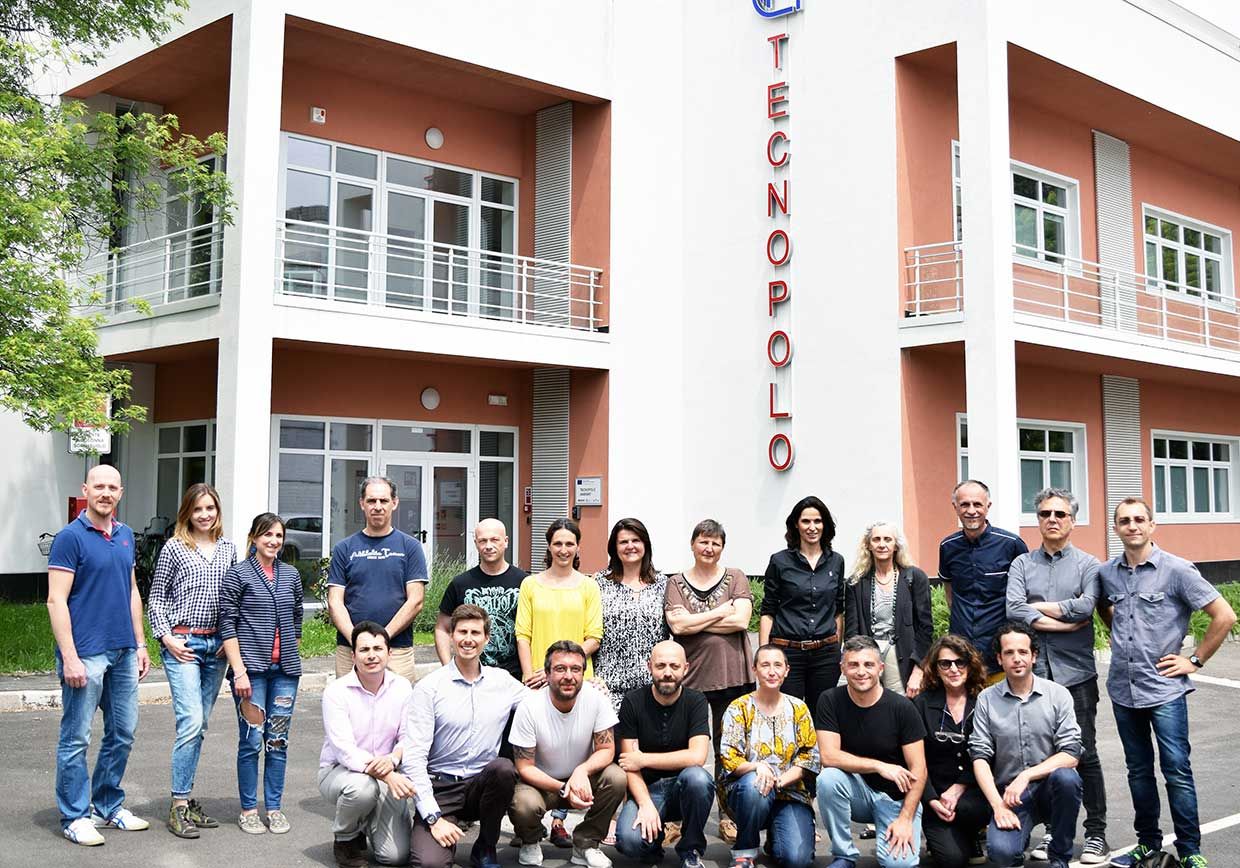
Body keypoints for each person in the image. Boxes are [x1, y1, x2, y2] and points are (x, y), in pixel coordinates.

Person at [1098, 497, 1236, 868]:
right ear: (1116, 528)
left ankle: (1191, 851)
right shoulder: (1107, 573)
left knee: (1176, 770)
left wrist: (1194, 660)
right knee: (1138, 771)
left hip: (1164, 690)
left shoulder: (1178, 570)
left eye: (1139, 519)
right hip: (1124, 689)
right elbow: (1103, 607)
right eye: (1124, 521)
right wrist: (1120, 633)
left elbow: (1224, 615)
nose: (1132, 526)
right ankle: (1147, 843)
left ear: (1152, 525)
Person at [48, 464, 152, 846]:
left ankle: (106, 805)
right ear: (85, 490)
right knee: (76, 737)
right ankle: (74, 816)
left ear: (120, 493)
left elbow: (131, 590)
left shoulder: (125, 536)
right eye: (99, 486)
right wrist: (70, 657)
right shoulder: (69, 538)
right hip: (85, 654)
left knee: (122, 732)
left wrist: (140, 643)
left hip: (123, 650)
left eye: (112, 487)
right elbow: (55, 600)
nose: (105, 493)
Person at [1006, 487, 1109, 864]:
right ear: (1038, 520)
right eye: (1045, 513)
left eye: (1060, 514)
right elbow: (1014, 608)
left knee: (1084, 753)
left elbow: (1086, 605)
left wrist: (1040, 609)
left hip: (1075, 674)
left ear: (1072, 520)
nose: (1052, 519)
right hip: (1033, 676)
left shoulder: (1088, 564)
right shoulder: (1022, 564)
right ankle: (1054, 832)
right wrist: (1064, 622)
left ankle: (1096, 833)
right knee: (1044, 754)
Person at [403, 604, 529, 868]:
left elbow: (541, 705)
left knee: (503, 769)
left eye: (475, 632)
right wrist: (434, 818)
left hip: (480, 786)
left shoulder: (502, 681)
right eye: (462, 632)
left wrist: (586, 688)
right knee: (430, 864)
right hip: (440, 788)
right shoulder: (429, 688)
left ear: (486, 638)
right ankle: (440, 826)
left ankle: (485, 846)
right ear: (451, 635)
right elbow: (413, 757)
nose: (468, 639)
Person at [147, 482, 239, 838]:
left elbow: (234, 601)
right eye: (198, 509)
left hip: (216, 648)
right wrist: (167, 639)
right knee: (191, 721)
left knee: (199, 727)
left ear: (217, 512)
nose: (204, 515)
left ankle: (186, 798)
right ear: (188, 512)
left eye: (210, 509)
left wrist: (229, 641)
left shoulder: (230, 550)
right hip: (182, 644)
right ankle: (179, 805)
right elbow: (156, 598)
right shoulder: (174, 547)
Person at [514, 518, 605, 847]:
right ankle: (529, 821)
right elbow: (522, 634)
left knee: (578, 749)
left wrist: (565, 665)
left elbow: (594, 635)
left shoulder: (588, 586)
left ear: (578, 547)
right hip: (539, 678)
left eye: (570, 544)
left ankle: (561, 822)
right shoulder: (531, 585)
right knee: (541, 751)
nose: (564, 549)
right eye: (558, 543)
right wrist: (531, 672)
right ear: (548, 547)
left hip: (577, 679)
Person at [665, 518, 754, 843]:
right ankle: (673, 817)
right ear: (692, 544)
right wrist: (719, 613)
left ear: (722, 547)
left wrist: (694, 620)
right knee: (680, 748)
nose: (709, 547)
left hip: (732, 676)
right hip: (688, 679)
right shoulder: (676, 581)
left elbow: (742, 620)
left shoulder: (736, 577)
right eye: (703, 541)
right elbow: (678, 628)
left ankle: (727, 816)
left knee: (727, 749)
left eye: (715, 543)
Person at [969, 622, 1082, 868]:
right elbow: (979, 757)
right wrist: (998, 806)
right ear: (999, 659)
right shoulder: (986, 700)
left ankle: (1059, 857)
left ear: (1034, 656)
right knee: (1001, 855)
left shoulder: (1058, 694)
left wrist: (1027, 776)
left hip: (1049, 789)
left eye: (1023, 652)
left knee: (1067, 779)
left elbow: (1071, 754)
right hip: (1011, 796)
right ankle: (1018, 842)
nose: (1016, 658)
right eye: (1009, 653)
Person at [219, 512, 304, 835]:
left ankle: (275, 808)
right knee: (252, 741)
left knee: (278, 741)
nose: (273, 541)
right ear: (254, 537)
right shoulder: (238, 574)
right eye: (267, 535)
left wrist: (291, 649)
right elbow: (227, 623)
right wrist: (238, 671)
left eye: (279, 536)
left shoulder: (291, 574)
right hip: (250, 672)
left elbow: (296, 615)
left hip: (285, 673)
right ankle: (249, 809)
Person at [508, 640, 627, 868]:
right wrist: (563, 788)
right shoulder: (529, 706)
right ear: (547, 673)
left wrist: (582, 770)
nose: (568, 676)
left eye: (575, 669)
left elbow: (607, 749)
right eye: (560, 669)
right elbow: (524, 767)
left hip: (583, 780)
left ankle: (586, 844)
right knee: (522, 802)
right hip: (540, 783)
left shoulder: (596, 699)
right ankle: (530, 840)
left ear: (583, 672)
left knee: (617, 777)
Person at [816, 635, 926, 868]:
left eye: (868, 664)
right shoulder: (830, 700)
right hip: (858, 794)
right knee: (828, 779)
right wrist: (879, 765)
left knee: (900, 865)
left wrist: (906, 818)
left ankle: (899, 830)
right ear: (842, 668)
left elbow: (919, 769)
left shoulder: (902, 707)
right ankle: (844, 855)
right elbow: (829, 756)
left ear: (880, 668)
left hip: (896, 798)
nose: (861, 671)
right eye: (853, 664)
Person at [319, 621, 415, 868]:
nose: (371, 655)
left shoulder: (403, 688)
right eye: (364, 650)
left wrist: (393, 760)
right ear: (353, 655)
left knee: (395, 857)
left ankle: (366, 821)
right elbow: (344, 750)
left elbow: (409, 737)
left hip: (387, 769)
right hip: (341, 774)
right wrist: (389, 777)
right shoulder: (336, 692)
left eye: (377, 648)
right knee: (362, 789)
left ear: (389, 653)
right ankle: (345, 839)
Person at [614, 641, 714, 868]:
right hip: (647, 788)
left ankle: (691, 850)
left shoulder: (696, 700)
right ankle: (652, 843)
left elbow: (697, 756)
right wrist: (645, 804)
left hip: (684, 787)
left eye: (674, 666)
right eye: (660, 666)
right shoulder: (632, 702)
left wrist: (644, 758)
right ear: (649, 666)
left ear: (685, 668)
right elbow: (629, 764)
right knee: (629, 843)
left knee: (698, 778)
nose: (667, 673)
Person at [719, 644, 820, 868]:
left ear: (787, 670)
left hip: (790, 792)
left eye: (778, 665)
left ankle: (776, 836)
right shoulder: (738, 708)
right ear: (754, 669)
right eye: (765, 665)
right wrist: (756, 767)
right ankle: (745, 850)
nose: (772, 671)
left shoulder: (799, 708)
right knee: (756, 785)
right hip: (747, 792)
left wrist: (780, 781)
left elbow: (809, 756)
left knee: (796, 860)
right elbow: (729, 757)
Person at [328, 476, 428, 682]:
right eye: (372, 501)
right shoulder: (344, 548)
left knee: (398, 711)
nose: (378, 506)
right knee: (350, 710)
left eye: (383, 501)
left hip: (397, 650)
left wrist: (382, 640)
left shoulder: (410, 547)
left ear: (394, 503)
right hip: (351, 650)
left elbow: (416, 601)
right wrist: (359, 642)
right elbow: (335, 601)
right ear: (362, 504)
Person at [760, 496, 846, 711]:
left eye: (817, 521)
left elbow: (838, 609)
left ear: (825, 525)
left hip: (825, 654)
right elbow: (768, 609)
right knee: (788, 714)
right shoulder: (780, 561)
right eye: (806, 521)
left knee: (823, 714)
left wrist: (837, 647)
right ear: (796, 525)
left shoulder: (836, 561)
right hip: (788, 651)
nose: (812, 527)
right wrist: (764, 653)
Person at [912, 636, 991, 868]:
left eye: (960, 662)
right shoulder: (921, 704)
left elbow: (992, 753)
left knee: (968, 809)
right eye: (945, 663)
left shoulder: (984, 701)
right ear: (936, 669)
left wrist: (960, 787)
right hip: (935, 794)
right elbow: (915, 760)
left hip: (973, 792)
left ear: (970, 664)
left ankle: (972, 832)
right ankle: (946, 839)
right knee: (952, 860)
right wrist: (931, 799)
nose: (953, 669)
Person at [938, 480, 1028, 674]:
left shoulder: (1011, 544)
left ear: (988, 506)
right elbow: (949, 592)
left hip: (999, 648)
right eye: (965, 504)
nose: (971, 511)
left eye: (977, 504)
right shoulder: (948, 546)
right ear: (955, 507)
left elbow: (1025, 594)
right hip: (961, 649)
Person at [844, 520, 933, 697]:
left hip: (901, 654)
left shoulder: (914, 577)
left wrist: (919, 668)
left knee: (900, 703)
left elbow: (925, 628)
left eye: (887, 539)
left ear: (896, 545)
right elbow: (851, 630)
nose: (882, 544)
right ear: (868, 545)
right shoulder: (857, 582)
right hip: (867, 651)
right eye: (876, 539)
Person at [593, 518, 670, 712]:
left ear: (645, 544)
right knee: (610, 743)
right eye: (623, 542)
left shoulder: (663, 584)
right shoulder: (598, 583)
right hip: (608, 687)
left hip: (652, 688)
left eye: (635, 540)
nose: (630, 546)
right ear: (614, 548)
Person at [435, 519, 528, 678]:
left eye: (494, 540)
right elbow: (442, 628)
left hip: (516, 676)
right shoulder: (460, 583)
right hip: (470, 675)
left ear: (505, 542)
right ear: (476, 543)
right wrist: (448, 668)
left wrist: (529, 673)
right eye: (483, 541)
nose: (488, 546)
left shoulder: (524, 582)